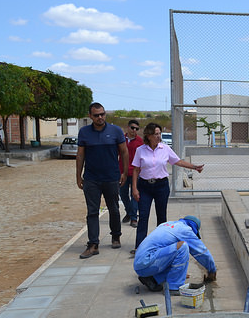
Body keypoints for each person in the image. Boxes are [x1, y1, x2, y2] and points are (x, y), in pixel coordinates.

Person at [132, 122, 204, 254]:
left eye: (159, 133)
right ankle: (140, 247)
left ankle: (162, 245)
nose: (158, 136)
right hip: (144, 187)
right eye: (155, 134)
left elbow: (178, 161)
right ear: (148, 136)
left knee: (161, 217)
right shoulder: (140, 150)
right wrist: (135, 189)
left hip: (161, 186)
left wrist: (194, 167)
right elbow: (136, 170)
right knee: (143, 216)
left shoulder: (165, 149)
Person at [77, 102, 129, 258]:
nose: (100, 117)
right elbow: (80, 155)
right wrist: (78, 176)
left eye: (102, 114)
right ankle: (93, 244)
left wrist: (124, 173)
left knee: (113, 208)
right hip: (91, 179)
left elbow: (124, 152)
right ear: (90, 116)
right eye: (96, 115)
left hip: (111, 178)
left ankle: (116, 236)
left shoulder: (116, 131)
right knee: (92, 211)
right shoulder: (84, 132)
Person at [134, 215, 217, 294]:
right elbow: (201, 252)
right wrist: (212, 269)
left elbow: (167, 255)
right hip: (146, 263)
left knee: (175, 250)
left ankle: (152, 279)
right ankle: (174, 287)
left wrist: (181, 272)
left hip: (141, 264)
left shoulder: (168, 224)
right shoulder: (185, 230)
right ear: (193, 228)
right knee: (183, 247)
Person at [119, 119, 143, 228]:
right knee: (123, 194)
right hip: (122, 172)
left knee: (134, 195)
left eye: (137, 129)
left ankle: (133, 218)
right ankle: (129, 211)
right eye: (132, 128)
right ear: (128, 128)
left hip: (135, 172)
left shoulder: (140, 141)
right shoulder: (121, 139)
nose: (134, 130)